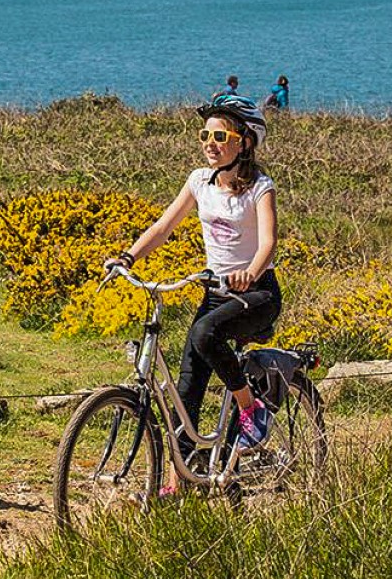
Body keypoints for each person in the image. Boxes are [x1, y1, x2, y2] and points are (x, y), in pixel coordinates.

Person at [105, 95, 280, 494]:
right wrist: (127, 258)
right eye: (205, 134)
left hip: (256, 294)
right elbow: (163, 227)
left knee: (204, 335)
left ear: (245, 142)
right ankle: (176, 482)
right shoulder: (199, 181)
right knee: (187, 391)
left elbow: (268, 242)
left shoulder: (259, 187)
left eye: (220, 135)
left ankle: (250, 409)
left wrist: (249, 274)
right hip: (216, 293)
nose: (210, 143)